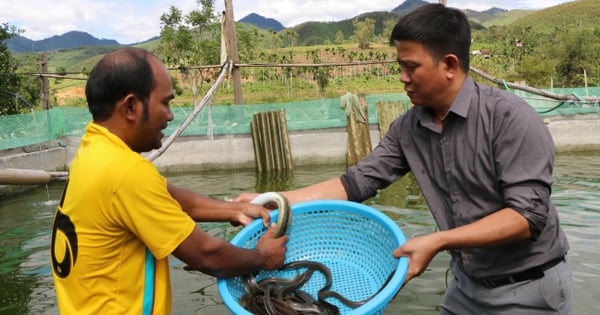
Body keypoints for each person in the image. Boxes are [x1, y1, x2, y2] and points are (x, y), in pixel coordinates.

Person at [237, 4, 571, 314]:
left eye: (411, 67)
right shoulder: (409, 127)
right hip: (468, 285)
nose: (403, 77)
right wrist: (274, 203)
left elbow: (527, 217)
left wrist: (438, 241)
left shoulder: (510, 118)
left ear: (450, 65)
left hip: (528, 286)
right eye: (401, 67)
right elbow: (354, 184)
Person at [50, 47, 288, 315]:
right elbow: (206, 255)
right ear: (130, 106)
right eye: (165, 102)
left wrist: (235, 209)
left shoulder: (93, 152)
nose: (170, 115)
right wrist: (263, 257)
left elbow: (170, 197)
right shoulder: (126, 172)